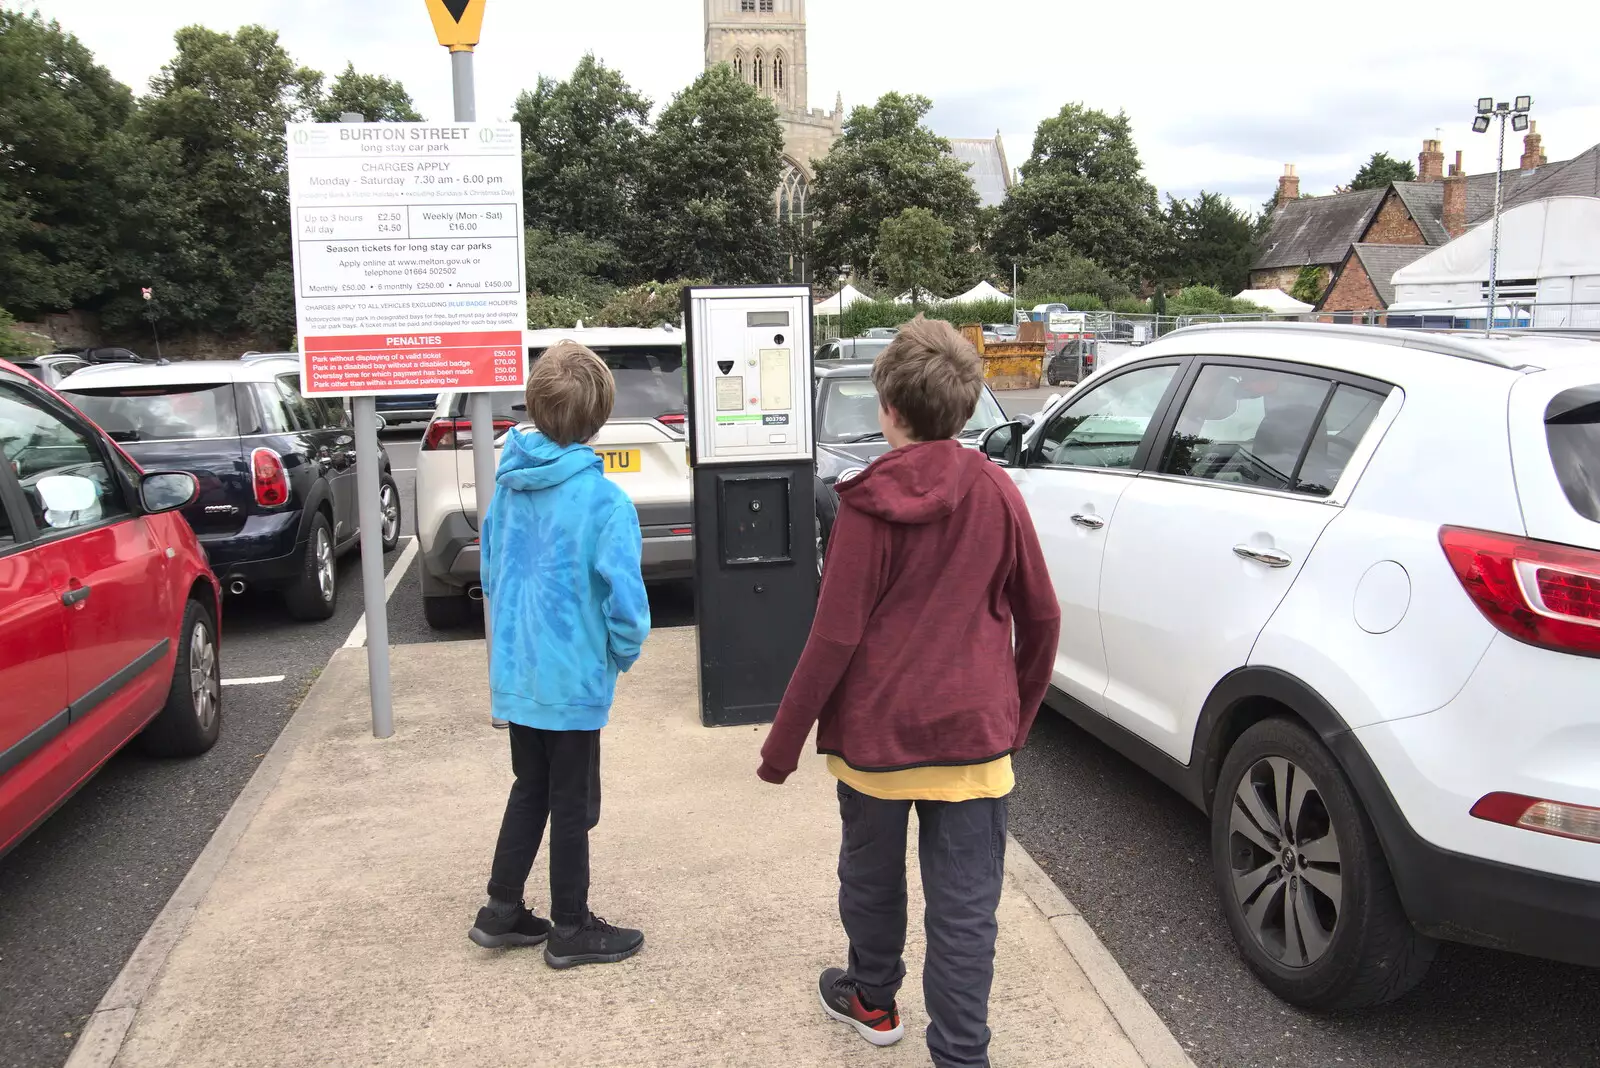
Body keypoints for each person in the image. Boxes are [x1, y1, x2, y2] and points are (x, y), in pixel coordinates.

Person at [757, 316, 1060, 1068]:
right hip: (973, 743)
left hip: (876, 744)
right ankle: (962, 1054)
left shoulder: (864, 503)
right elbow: (1042, 616)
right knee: (965, 912)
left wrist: (782, 744)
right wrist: (1016, 716)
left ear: (887, 408)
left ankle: (872, 1000)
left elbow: (835, 637)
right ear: (963, 408)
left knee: (871, 879)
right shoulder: (997, 491)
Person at [467, 340, 652, 969]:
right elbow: (626, 604)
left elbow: (491, 578)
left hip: (519, 672)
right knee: (574, 804)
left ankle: (501, 908)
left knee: (531, 787)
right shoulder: (606, 503)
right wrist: (619, 654)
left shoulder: (508, 491)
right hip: (572, 680)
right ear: (598, 419)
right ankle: (570, 926)